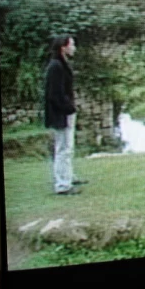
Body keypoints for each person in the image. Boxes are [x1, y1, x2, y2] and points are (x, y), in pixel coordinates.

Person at [44, 35, 85, 195]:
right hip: (61, 114)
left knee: (67, 147)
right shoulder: (56, 66)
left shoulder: (61, 64)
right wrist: (69, 108)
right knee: (62, 148)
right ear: (63, 47)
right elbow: (54, 94)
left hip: (64, 112)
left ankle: (68, 176)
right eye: (72, 45)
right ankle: (62, 185)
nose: (74, 48)